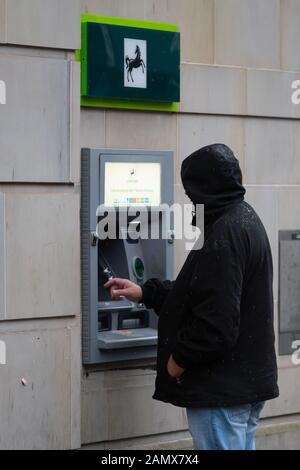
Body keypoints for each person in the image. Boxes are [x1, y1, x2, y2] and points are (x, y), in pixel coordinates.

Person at [105, 143, 279, 450]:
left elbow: (216, 324)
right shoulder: (244, 219)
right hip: (243, 386)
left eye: (191, 194)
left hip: (220, 391)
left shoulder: (225, 234)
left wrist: (177, 362)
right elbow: (204, 292)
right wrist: (147, 293)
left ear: (205, 189)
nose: (191, 202)